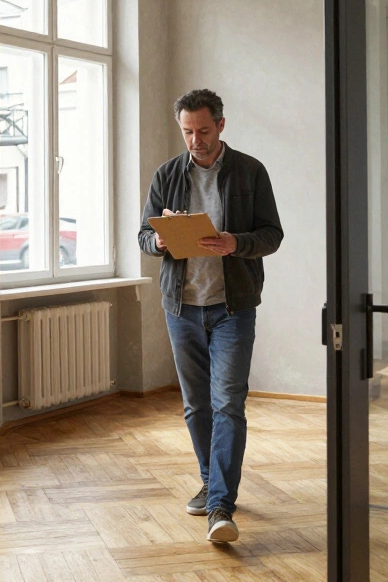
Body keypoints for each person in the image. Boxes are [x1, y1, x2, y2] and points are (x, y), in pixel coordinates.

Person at [138, 89, 283, 543]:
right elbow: (144, 234)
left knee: (228, 403)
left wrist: (234, 243)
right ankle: (211, 482)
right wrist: (159, 241)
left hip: (232, 307)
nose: (195, 140)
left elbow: (272, 235)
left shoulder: (250, 171)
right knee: (196, 404)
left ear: (221, 125)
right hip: (181, 307)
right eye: (187, 131)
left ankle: (220, 504)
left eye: (202, 130)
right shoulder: (167, 174)